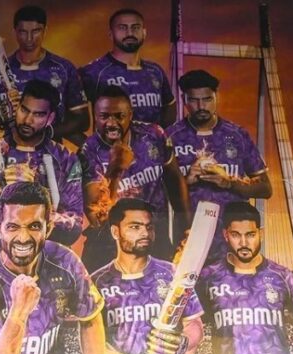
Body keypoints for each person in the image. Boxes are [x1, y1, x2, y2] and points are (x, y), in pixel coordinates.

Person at [0, 182, 105, 354]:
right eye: (12, 227)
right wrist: (19, 312)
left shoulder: (65, 261)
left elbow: (91, 319)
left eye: (34, 226)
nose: (23, 238)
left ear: (49, 228)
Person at [197, 202, 293, 354]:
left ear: (261, 233)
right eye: (236, 235)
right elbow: (190, 325)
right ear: (226, 235)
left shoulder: (282, 276)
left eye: (250, 235)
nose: (244, 243)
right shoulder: (208, 277)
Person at [91, 199, 203, 354]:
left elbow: (194, 324)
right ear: (115, 232)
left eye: (149, 227)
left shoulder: (172, 274)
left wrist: (183, 341)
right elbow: (90, 339)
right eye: (135, 227)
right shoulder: (97, 282)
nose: (145, 233)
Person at [80, 85, 189, 272]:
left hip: (154, 236)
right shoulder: (88, 152)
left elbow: (175, 181)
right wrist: (115, 170)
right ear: (94, 116)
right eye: (104, 116)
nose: (111, 123)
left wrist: (187, 228)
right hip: (111, 243)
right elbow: (97, 217)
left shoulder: (153, 135)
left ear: (130, 115)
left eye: (119, 116)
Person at [166, 70, 273, 261]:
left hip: (234, 242)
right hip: (191, 240)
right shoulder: (171, 137)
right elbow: (157, 193)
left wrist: (229, 182)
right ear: (184, 100)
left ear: (217, 97)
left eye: (207, 99)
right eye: (194, 100)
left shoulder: (237, 135)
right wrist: (185, 181)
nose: (201, 106)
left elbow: (265, 188)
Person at [0, 80, 84, 254]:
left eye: (38, 115)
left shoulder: (65, 158)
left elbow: (74, 228)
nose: (28, 120)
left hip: (47, 260)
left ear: (50, 118)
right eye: (24, 110)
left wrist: (35, 201)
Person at [0, 5, 89, 145]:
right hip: (7, 153)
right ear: (15, 32)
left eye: (36, 31)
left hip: (51, 152)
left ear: (45, 31)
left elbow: (82, 121)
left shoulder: (64, 69)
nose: (29, 38)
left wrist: (47, 132)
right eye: (23, 32)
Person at [80, 8, 176, 126]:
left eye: (135, 27)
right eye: (122, 27)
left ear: (144, 33)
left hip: (151, 139)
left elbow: (170, 109)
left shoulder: (155, 71)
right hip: (114, 138)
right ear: (111, 34)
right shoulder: (93, 72)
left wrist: (158, 134)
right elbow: (77, 116)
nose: (130, 33)